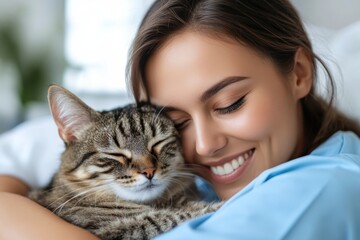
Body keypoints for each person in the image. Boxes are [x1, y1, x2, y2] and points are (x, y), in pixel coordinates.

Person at [1, 0, 360, 239]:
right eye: (177, 122)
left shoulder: (327, 189)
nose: (204, 146)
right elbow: (26, 147)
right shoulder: (222, 174)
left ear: (298, 73)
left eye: (230, 103)